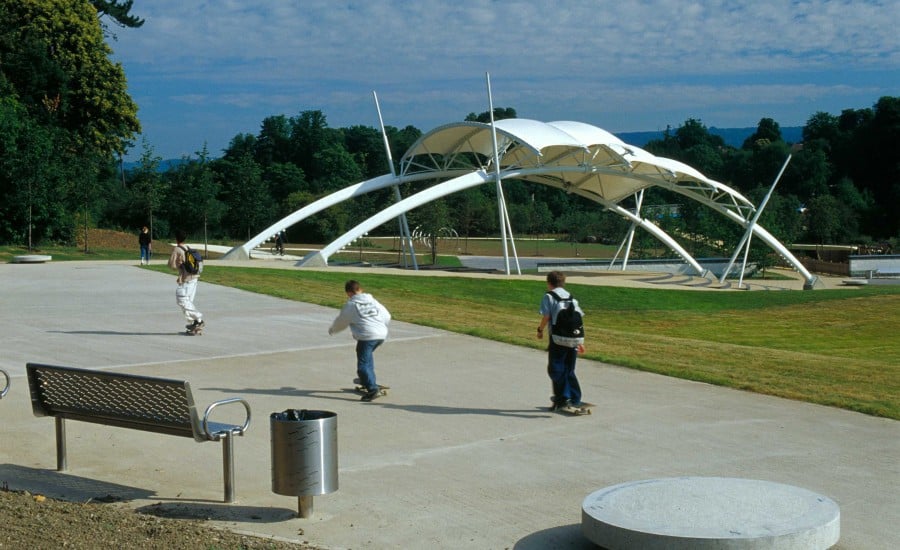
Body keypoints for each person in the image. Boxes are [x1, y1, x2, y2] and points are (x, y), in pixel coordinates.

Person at [328, 280, 391, 401]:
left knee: (362, 365)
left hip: (367, 336)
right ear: (360, 289)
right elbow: (387, 316)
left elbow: (342, 321)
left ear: (349, 293)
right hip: (381, 334)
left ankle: (372, 389)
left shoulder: (351, 305)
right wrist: (379, 327)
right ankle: (368, 380)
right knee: (367, 358)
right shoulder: (373, 301)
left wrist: (333, 330)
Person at [537, 271, 585, 411]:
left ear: (549, 282)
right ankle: (574, 397)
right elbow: (577, 321)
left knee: (555, 369)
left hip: (558, 339)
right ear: (563, 282)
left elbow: (546, 316)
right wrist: (580, 341)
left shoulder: (549, 297)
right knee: (569, 369)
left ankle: (564, 397)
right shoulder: (571, 298)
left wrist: (540, 330)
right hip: (574, 338)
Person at [167, 229, 204, 334]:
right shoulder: (188, 248)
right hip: (195, 278)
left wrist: (178, 265)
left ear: (176, 238)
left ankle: (198, 319)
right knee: (188, 302)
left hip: (186, 279)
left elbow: (171, 265)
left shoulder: (177, 249)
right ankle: (194, 324)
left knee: (181, 299)